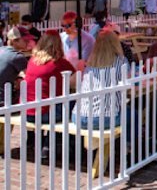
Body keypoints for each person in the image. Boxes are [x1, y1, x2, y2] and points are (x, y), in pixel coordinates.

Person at [24, 30, 76, 158]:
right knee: (72, 106)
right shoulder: (59, 63)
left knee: (57, 103)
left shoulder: (32, 60)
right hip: (46, 113)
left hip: (27, 111)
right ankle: (51, 144)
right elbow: (75, 79)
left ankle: (42, 143)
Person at [72, 30, 127, 129]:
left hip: (78, 116)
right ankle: (128, 143)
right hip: (103, 117)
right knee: (133, 113)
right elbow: (128, 81)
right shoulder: (120, 61)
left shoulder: (90, 62)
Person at [0, 27, 31, 107]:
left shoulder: (1, 50)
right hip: (4, 102)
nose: (28, 42)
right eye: (25, 40)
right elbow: (30, 78)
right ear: (14, 41)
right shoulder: (17, 57)